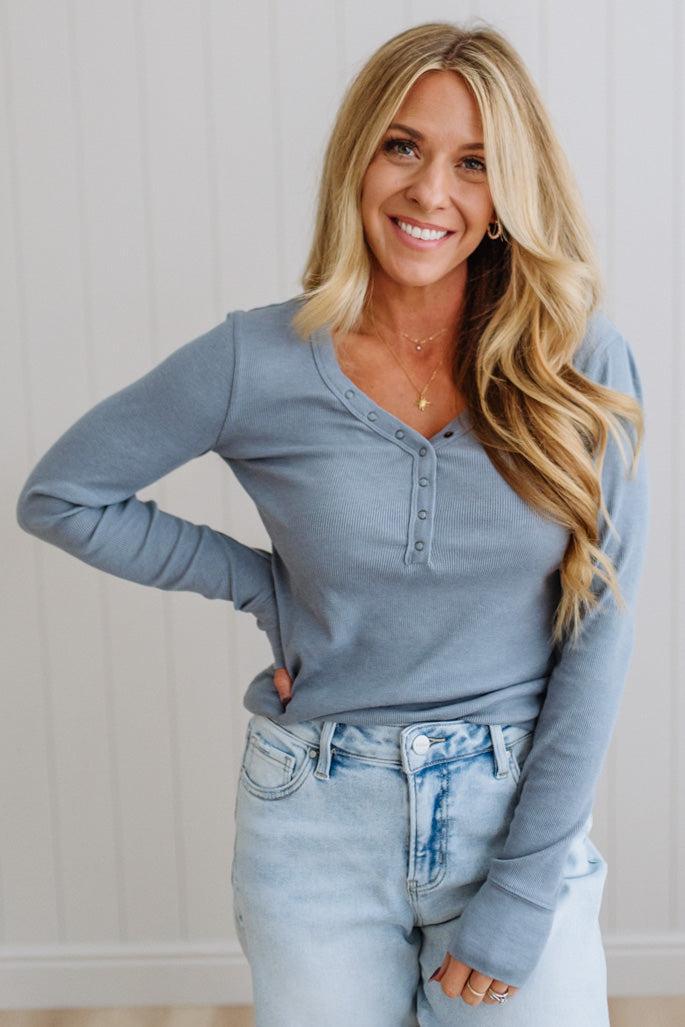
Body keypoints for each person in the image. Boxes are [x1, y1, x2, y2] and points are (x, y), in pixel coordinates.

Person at [16, 19, 649, 1027]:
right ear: (357, 155)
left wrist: (525, 886)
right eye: (403, 145)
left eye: (473, 163)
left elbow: (600, 629)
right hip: (313, 815)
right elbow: (62, 495)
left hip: (513, 810)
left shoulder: (575, 363)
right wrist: (261, 584)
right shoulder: (255, 359)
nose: (429, 190)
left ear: (507, 195)